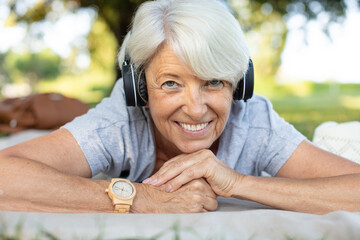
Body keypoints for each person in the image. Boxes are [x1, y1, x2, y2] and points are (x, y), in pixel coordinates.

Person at [1, 0, 360, 214]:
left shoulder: (255, 124)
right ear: (139, 87)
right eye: (171, 83)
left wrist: (237, 183)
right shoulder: (118, 124)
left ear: (239, 84)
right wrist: (144, 199)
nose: (195, 108)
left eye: (214, 81)